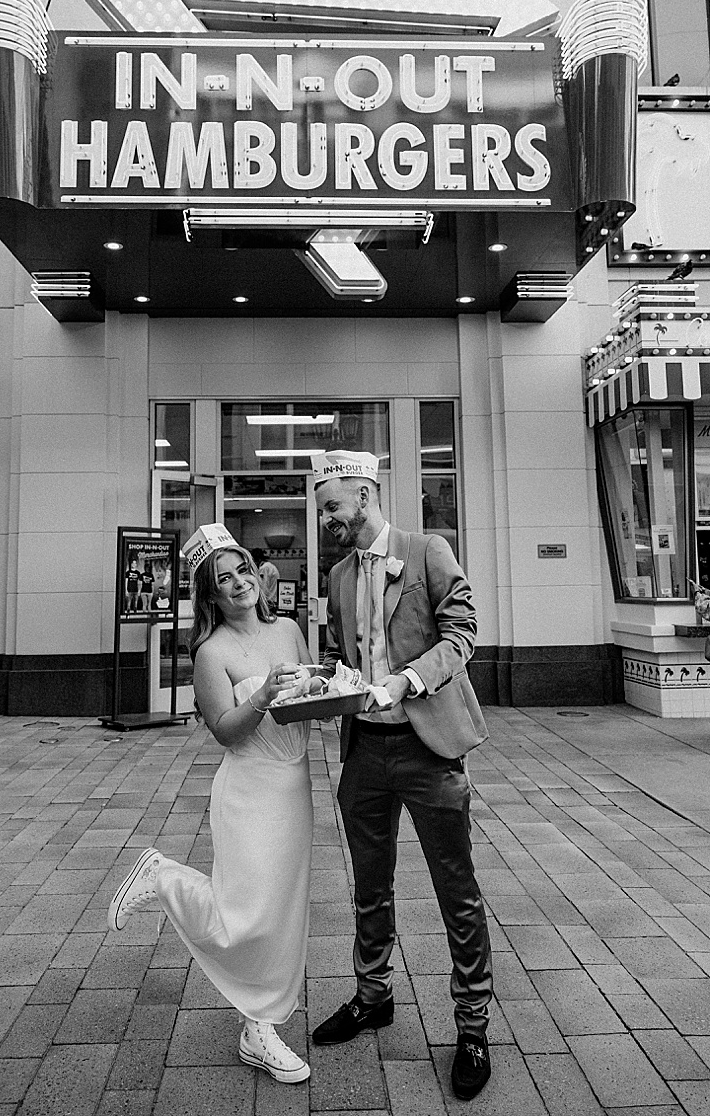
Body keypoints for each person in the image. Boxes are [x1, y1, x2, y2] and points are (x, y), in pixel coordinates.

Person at [309, 450, 493, 1102]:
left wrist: (406, 680)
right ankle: (371, 995)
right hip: (364, 754)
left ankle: (471, 1026)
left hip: (430, 751)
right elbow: (347, 657)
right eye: (319, 507)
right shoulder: (335, 576)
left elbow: (462, 633)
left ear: (365, 493)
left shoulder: (426, 550)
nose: (324, 518)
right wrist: (328, 688)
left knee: (456, 892)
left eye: (332, 505)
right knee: (368, 885)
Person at [107, 524, 317, 1085]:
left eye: (243, 570)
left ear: (256, 574)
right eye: (223, 580)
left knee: (282, 912)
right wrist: (266, 695)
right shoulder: (211, 651)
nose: (239, 583)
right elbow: (224, 731)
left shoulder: (291, 629)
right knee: (243, 913)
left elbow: (311, 693)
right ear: (211, 595)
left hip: (294, 783)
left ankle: (259, 1027)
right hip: (249, 789)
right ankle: (163, 877)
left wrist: (329, 692)